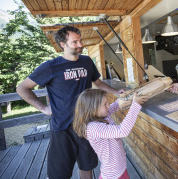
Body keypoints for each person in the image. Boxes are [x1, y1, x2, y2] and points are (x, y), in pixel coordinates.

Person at [16, 25, 125, 179]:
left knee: (87, 167)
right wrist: (43, 108)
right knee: (59, 174)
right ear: (62, 44)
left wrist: (116, 92)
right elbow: (22, 88)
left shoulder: (87, 62)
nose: (80, 45)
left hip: (88, 125)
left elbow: (98, 83)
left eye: (80, 41)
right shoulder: (50, 67)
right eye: (74, 42)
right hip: (63, 128)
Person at [73, 89, 148, 179]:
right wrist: (135, 105)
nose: (108, 106)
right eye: (105, 104)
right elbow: (122, 131)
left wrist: (124, 97)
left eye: (107, 102)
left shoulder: (103, 115)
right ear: (92, 109)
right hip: (113, 175)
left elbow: (115, 105)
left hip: (120, 169)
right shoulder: (93, 128)